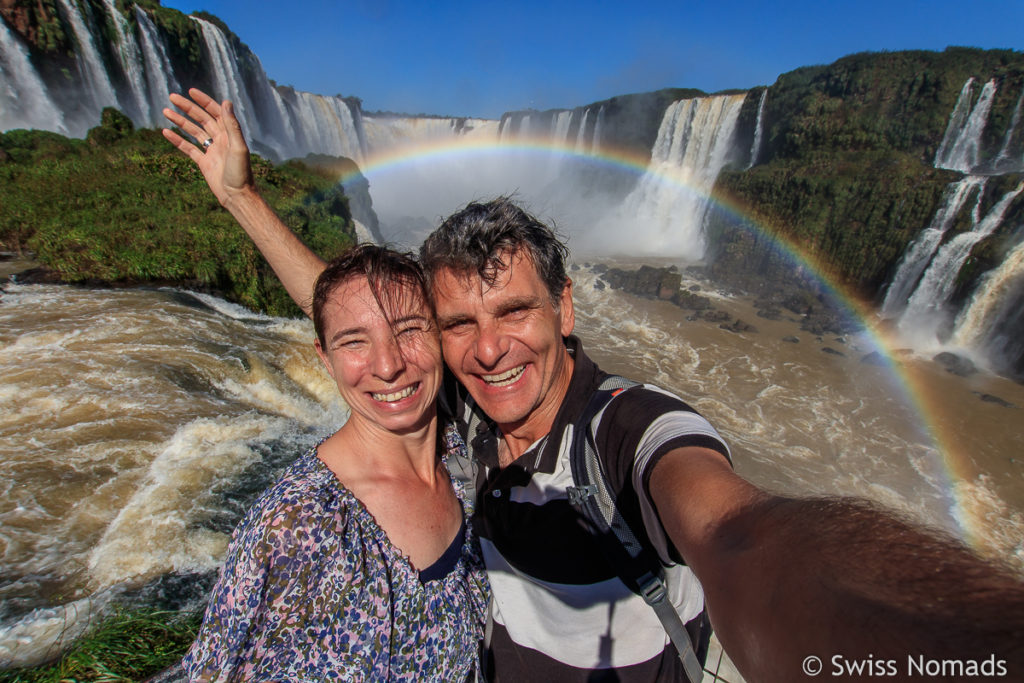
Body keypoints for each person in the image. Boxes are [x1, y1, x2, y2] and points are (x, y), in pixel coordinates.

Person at [165, 89, 1024, 682]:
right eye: (459, 323)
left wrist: (963, 645)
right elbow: (363, 325)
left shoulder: (628, 429)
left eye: (515, 312)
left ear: (565, 305)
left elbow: (741, 534)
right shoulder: (462, 402)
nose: (491, 348)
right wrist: (240, 198)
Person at [178, 245, 489, 680]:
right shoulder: (297, 526)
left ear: (440, 335)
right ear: (325, 358)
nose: (388, 365)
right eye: (354, 342)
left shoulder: (461, 444)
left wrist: (240, 196)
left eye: (408, 329)